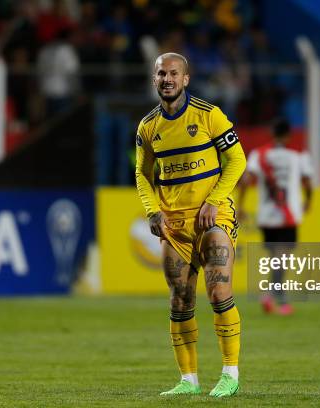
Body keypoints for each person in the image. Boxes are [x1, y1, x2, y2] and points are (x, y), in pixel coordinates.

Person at [135, 52, 246, 397]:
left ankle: (230, 373)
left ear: (186, 79)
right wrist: (153, 210)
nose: (166, 79)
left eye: (173, 73)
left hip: (214, 218)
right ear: (154, 80)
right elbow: (142, 172)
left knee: (219, 290)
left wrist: (214, 200)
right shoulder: (148, 128)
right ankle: (189, 380)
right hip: (174, 226)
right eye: (160, 74)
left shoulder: (209, 115)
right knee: (180, 300)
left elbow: (238, 159)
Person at [239, 118, 313, 315]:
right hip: (288, 214)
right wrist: (308, 201)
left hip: (267, 215)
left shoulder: (259, 155)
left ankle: (272, 294)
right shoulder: (298, 156)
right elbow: (307, 182)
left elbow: (246, 180)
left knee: (276, 257)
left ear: (273, 134)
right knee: (283, 258)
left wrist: (240, 205)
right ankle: (278, 296)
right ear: (288, 135)